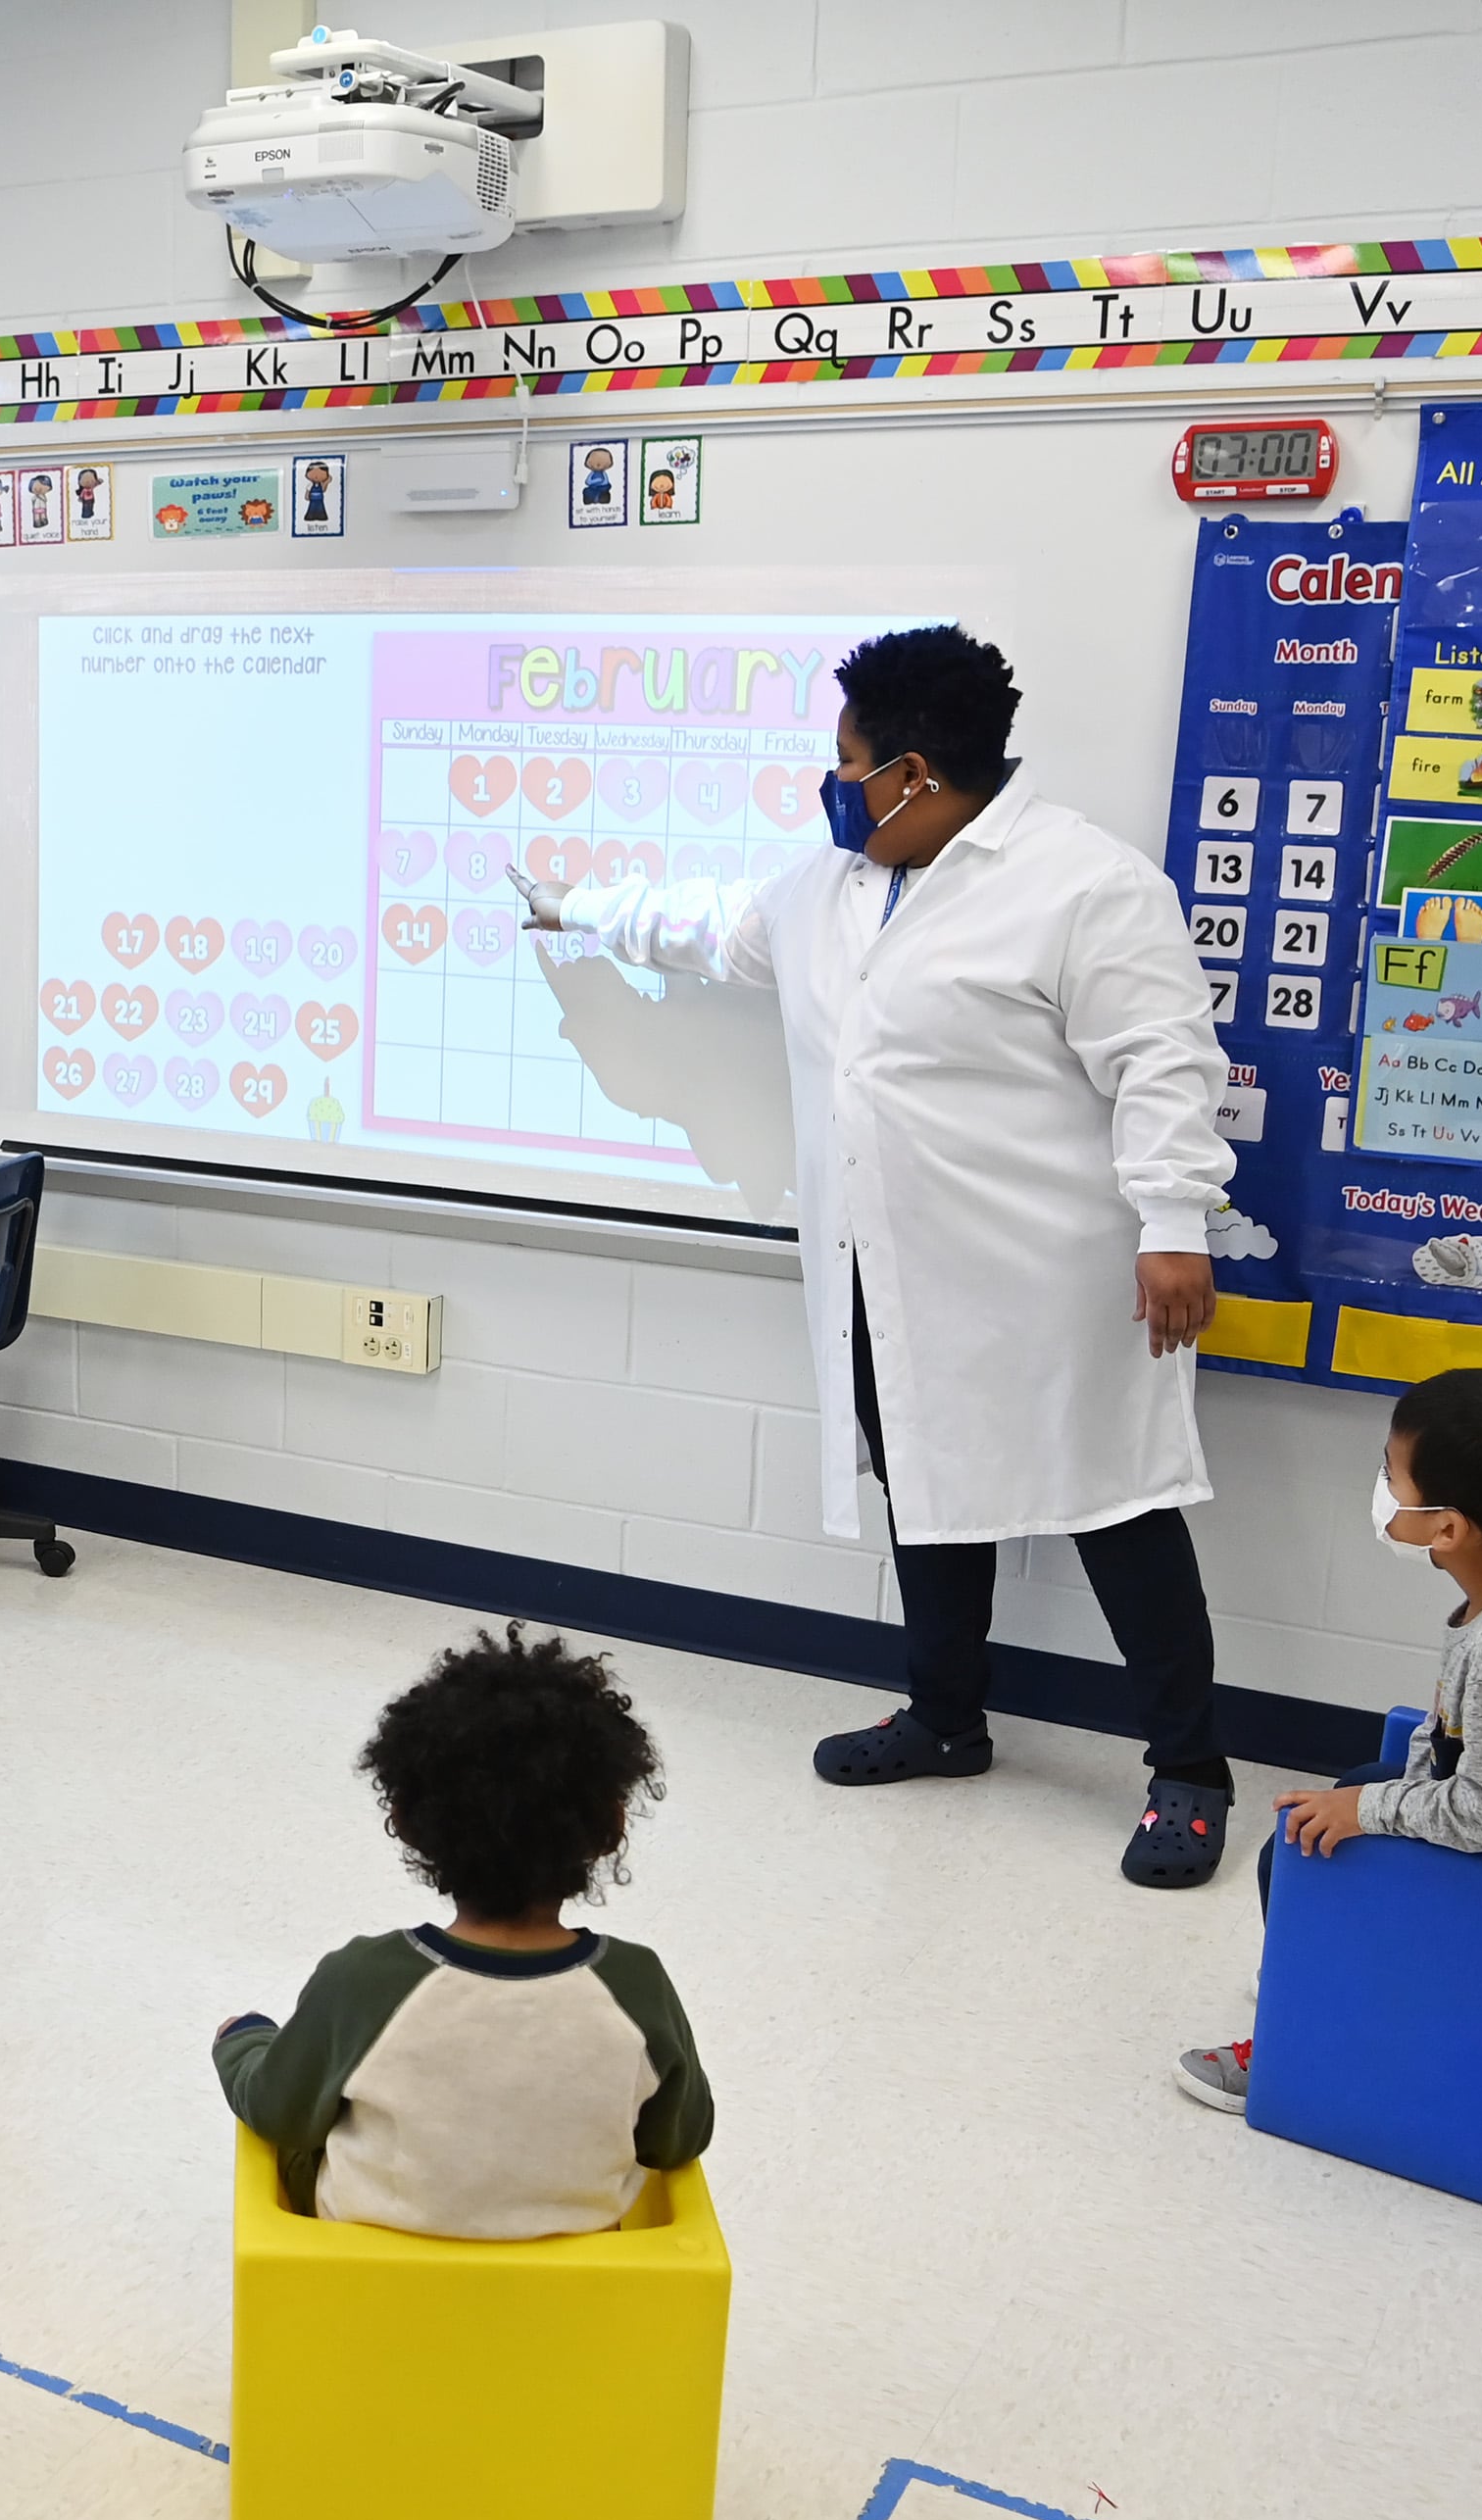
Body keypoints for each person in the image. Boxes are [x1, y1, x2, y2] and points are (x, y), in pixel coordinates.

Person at [518, 625, 1247, 1888]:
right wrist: (577, 905)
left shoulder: (1085, 884)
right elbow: (708, 930)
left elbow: (1165, 1063)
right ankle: (946, 1718)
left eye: (844, 760)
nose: (832, 783)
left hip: (1054, 1275)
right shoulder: (828, 891)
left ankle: (1189, 1771)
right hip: (885, 1270)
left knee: (1116, 1504)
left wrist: (1175, 1224)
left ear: (909, 770)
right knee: (927, 1486)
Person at [1176, 1371, 1482, 2110]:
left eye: (1391, 1474)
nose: (1381, 1486)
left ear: (1448, 1528)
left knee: (1301, 1844)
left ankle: (1301, 2037)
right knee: (1353, 1787)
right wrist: (1379, 1794)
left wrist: (1373, 1811)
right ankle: (1315, 1953)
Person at [214, 1625, 709, 2240]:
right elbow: (680, 2139)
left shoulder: (365, 1981)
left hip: (369, 2273)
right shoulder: (636, 1986)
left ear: (409, 1822)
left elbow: (278, 2112)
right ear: (609, 1828)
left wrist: (242, 2043)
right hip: (577, 2282)